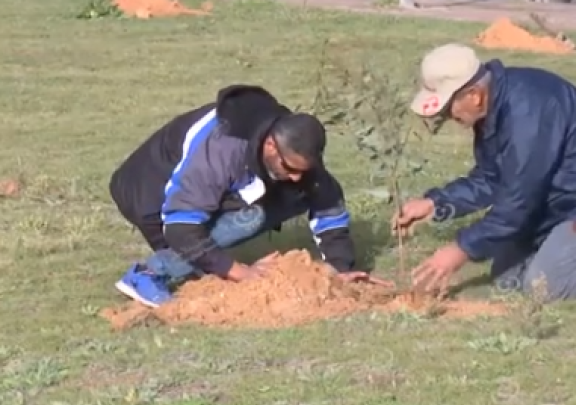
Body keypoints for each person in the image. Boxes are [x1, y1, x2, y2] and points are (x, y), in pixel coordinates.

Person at [393, 44, 576, 302]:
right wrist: (435, 202)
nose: (448, 117)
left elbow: (518, 201)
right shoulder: (493, 109)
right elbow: (492, 178)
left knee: (545, 286)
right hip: (554, 202)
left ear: (473, 94)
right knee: (508, 279)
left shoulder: (528, 112)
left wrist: (460, 250)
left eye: (448, 108)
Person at [110, 85, 385, 307]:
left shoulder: (291, 145)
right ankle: (146, 274)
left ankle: (198, 265)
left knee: (298, 193)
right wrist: (240, 272)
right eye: (290, 169)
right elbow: (181, 227)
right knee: (249, 220)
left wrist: (337, 269)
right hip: (147, 196)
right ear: (270, 145)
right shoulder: (223, 149)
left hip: (199, 191)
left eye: (302, 170)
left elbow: (326, 198)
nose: (296, 177)